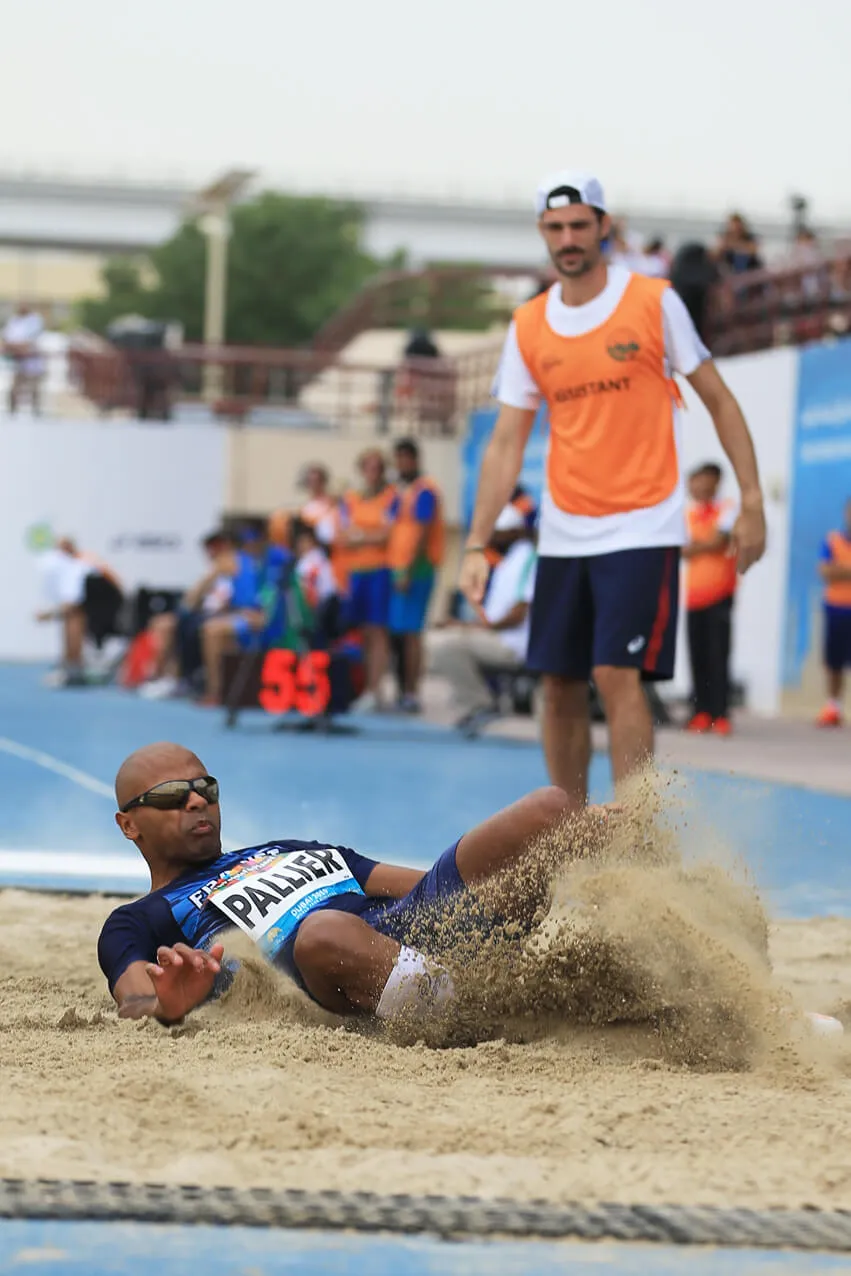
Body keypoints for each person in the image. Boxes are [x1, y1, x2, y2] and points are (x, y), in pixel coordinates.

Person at [460, 169, 766, 812]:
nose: (568, 238)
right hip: (567, 529)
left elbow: (720, 400)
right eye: (555, 228)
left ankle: (634, 837)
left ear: (603, 226)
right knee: (559, 683)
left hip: (644, 523)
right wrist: (476, 543)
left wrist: (753, 502)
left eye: (579, 225)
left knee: (614, 674)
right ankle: (568, 834)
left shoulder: (654, 302)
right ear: (543, 234)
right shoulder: (530, 324)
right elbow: (507, 442)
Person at [98, 742, 597, 1025]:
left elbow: (427, 886)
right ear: (129, 825)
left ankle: (629, 917)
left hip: (414, 928)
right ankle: (480, 1014)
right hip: (335, 968)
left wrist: (520, 869)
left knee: (550, 808)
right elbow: (136, 1000)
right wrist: (169, 1006)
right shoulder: (141, 918)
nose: (196, 802)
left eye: (204, 788)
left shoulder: (288, 849)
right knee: (323, 934)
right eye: (171, 795)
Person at [427, 503, 536, 732]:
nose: (494, 539)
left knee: (444, 646)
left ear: (514, 532)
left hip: (512, 644)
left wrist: (478, 628)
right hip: (498, 635)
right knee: (444, 636)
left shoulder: (527, 560)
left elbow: (517, 614)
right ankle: (475, 703)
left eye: (498, 533)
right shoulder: (509, 561)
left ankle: (479, 704)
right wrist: (466, 625)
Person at [336, 449, 398, 711]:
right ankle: (365, 688)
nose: (373, 472)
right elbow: (343, 535)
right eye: (368, 467)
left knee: (378, 630)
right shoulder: (350, 498)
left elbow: (386, 535)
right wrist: (367, 536)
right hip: (356, 572)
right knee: (361, 632)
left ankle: (377, 689)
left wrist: (361, 536)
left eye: (378, 467)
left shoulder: (391, 497)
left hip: (380, 571)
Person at [387, 438, 445, 713]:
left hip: (416, 569)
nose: (400, 465)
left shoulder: (425, 491)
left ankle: (412, 693)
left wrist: (408, 570)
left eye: (404, 459)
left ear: (414, 459)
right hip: (398, 567)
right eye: (397, 459)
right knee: (398, 632)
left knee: (411, 633)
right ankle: (402, 690)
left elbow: (421, 534)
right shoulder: (403, 491)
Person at [682, 463, 738, 735]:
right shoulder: (688, 513)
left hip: (720, 595)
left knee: (718, 656)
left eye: (703, 480)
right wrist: (700, 546)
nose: (697, 486)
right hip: (693, 597)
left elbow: (721, 540)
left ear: (715, 482)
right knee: (697, 657)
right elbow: (682, 549)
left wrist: (697, 546)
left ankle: (721, 713)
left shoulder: (727, 509)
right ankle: (700, 712)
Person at [816, 498, 851, 728]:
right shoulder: (832, 541)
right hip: (837, 607)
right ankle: (833, 706)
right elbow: (826, 571)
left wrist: (841, 570)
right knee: (834, 662)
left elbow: (835, 570)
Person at [3, 302, 45, 414]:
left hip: (32, 358)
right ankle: (13, 409)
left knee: (34, 385)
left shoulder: (35, 320)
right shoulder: (14, 320)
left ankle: (36, 409)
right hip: (18, 358)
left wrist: (20, 346)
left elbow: (31, 339)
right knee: (16, 385)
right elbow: (8, 338)